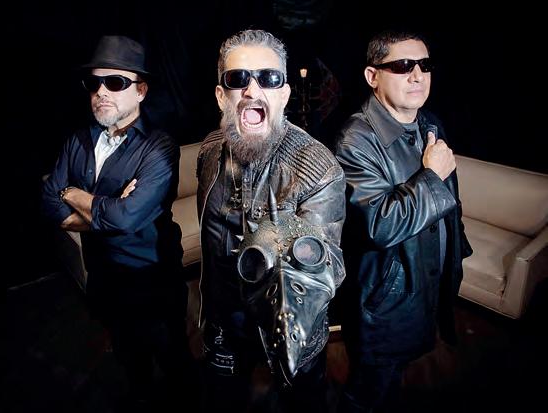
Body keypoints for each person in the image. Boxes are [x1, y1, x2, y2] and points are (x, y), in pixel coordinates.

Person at [42, 35, 195, 412]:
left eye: (115, 82)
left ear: (141, 91)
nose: (101, 92)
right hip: (104, 277)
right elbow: (48, 200)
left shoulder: (158, 147)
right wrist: (102, 208)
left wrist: (72, 194)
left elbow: (126, 218)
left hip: (151, 279)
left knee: (173, 358)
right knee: (129, 356)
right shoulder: (77, 141)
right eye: (94, 83)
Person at [196, 29, 346, 413]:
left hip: (292, 333)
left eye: (268, 78)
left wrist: (272, 240)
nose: (252, 89)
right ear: (221, 96)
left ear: (284, 94)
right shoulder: (210, 151)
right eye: (238, 78)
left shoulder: (317, 168)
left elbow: (324, 267)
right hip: (223, 324)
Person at [334, 30, 473, 412]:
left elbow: (450, 205)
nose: (417, 75)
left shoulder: (431, 123)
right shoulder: (354, 140)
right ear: (372, 76)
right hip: (385, 301)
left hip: (426, 289)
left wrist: (456, 249)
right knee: (368, 392)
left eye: (424, 65)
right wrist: (431, 176)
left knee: (393, 383)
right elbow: (380, 225)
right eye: (402, 66)